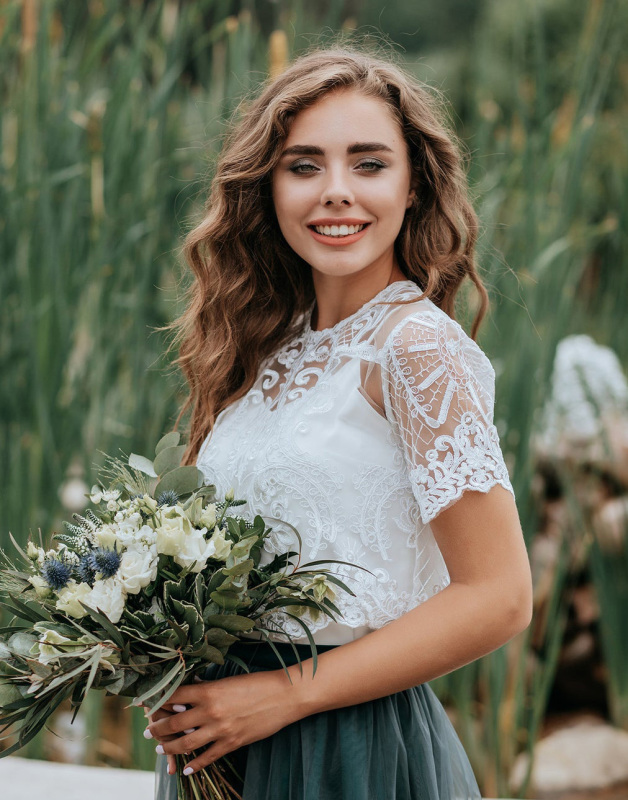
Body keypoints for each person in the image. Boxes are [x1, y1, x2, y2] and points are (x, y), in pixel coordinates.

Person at [147, 43, 533, 800]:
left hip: (345, 748)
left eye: (368, 164)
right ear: (268, 188)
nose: (335, 193)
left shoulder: (416, 348)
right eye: (303, 166)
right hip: (224, 746)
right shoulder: (270, 344)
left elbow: (500, 595)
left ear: (414, 185)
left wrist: (284, 695)